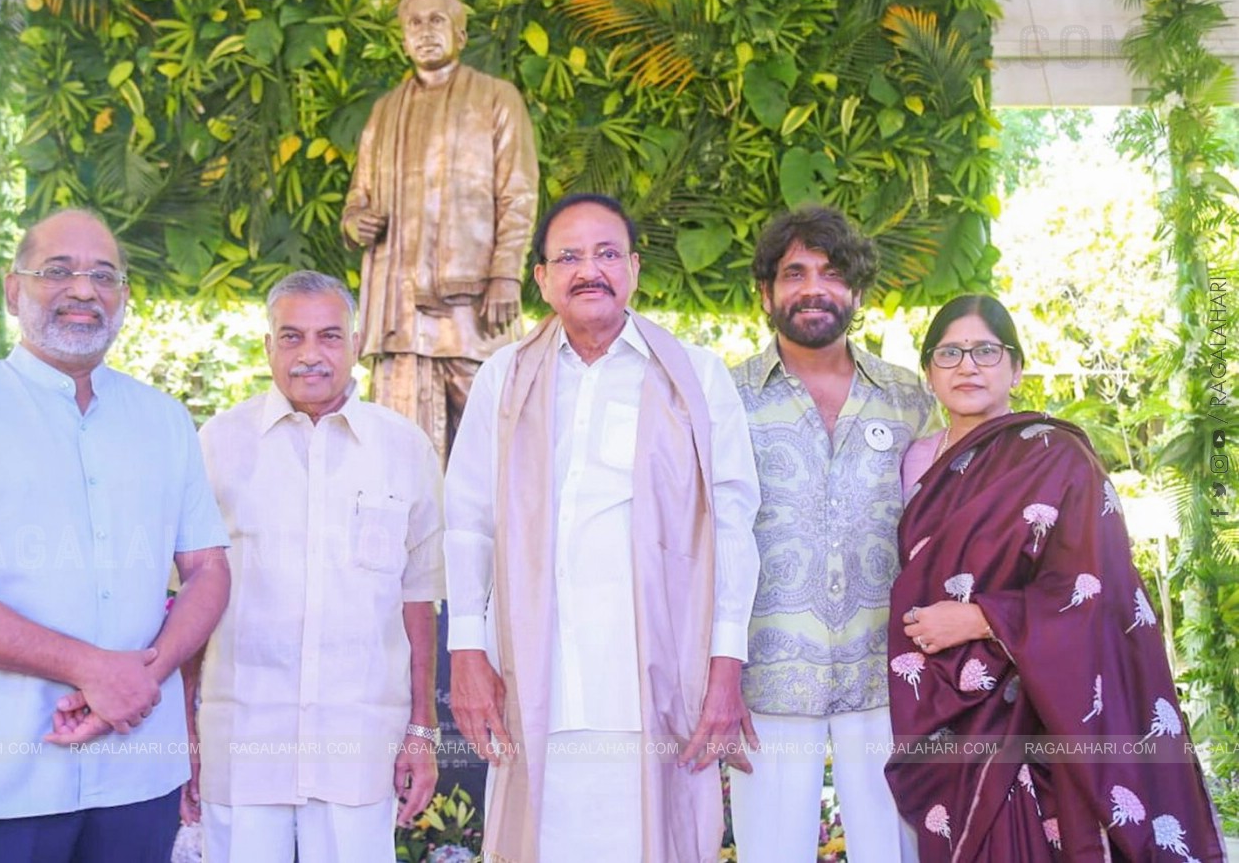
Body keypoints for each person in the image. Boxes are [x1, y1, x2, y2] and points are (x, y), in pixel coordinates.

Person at [0, 208, 231, 863]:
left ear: (123, 297)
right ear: (14, 290)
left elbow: (209, 570)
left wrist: (142, 677)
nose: (83, 289)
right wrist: (91, 670)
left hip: (139, 770)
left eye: (104, 275)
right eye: (58, 271)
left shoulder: (164, 421)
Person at [445, 193, 761, 862]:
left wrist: (726, 664)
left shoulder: (696, 377)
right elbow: (468, 519)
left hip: (655, 679)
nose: (590, 270)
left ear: (635, 269)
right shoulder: (505, 378)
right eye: (569, 257)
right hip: (534, 681)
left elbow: (733, 526)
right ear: (541, 278)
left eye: (607, 253)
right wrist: (467, 652)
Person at [887, 294, 1225, 861]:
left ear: (1016, 369)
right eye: (950, 353)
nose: (967, 365)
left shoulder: (1056, 458)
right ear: (928, 373)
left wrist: (979, 618)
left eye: (986, 351)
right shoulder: (910, 460)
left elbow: (1098, 588)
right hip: (942, 700)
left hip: (1034, 703)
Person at [187, 270, 445, 861]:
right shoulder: (217, 445)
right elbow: (190, 606)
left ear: (355, 342)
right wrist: (185, 735)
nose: (310, 355)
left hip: (359, 747)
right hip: (244, 746)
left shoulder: (404, 449)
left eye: (329, 336)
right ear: (267, 345)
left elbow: (418, 601)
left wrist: (423, 731)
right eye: (291, 337)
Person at [728, 206, 934, 862]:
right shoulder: (724, 399)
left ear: (858, 292)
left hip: (889, 676)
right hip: (766, 676)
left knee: (894, 850)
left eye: (831, 271)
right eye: (794, 272)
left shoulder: (911, 399)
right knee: (769, 852)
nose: (813, 287)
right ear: (766, 292)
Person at [342, 0, 539, 460]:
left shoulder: (495, 98)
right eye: (414, 23)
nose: (425, 32)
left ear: (461, 33)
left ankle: (496, 539)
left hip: (471, 310)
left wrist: (505, 274)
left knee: (491, 452)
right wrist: (355, 222)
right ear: (403, 38)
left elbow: (519, 194)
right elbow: (357, 197)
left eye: (436, 21)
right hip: (398, 315)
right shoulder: (384, 112)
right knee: (398, 458)